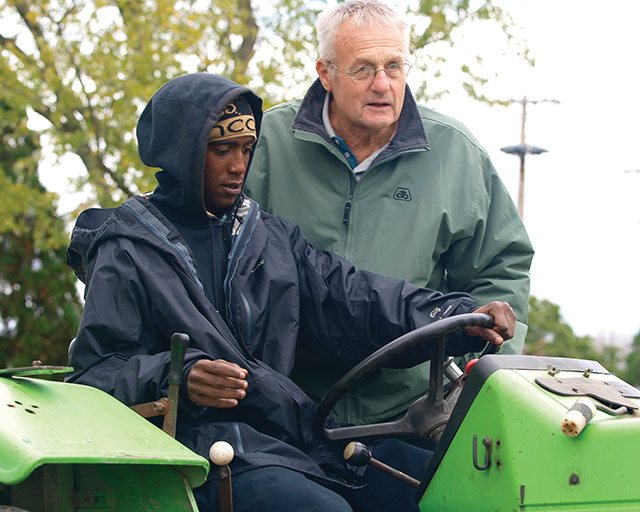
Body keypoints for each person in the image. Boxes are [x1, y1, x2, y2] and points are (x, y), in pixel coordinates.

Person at [66, 72, 516, 512]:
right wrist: (178, 374)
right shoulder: (128, 247)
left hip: (287, 432)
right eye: (221, 150)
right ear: (180, 153)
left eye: (246, 149)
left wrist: (457, 318)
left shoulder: (268, 238)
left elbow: (356, 299)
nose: (239, 165)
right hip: (195, 448)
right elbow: (96, 372)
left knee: (447, 488)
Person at [244, 0, 535, 427]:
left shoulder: (458, 155)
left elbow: (503, 268)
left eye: (394, 67)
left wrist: (467, 382)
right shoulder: (263, 145)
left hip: (410, 414)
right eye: (363, 69)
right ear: (325, 73)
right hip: (280, 405)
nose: (382, 84)